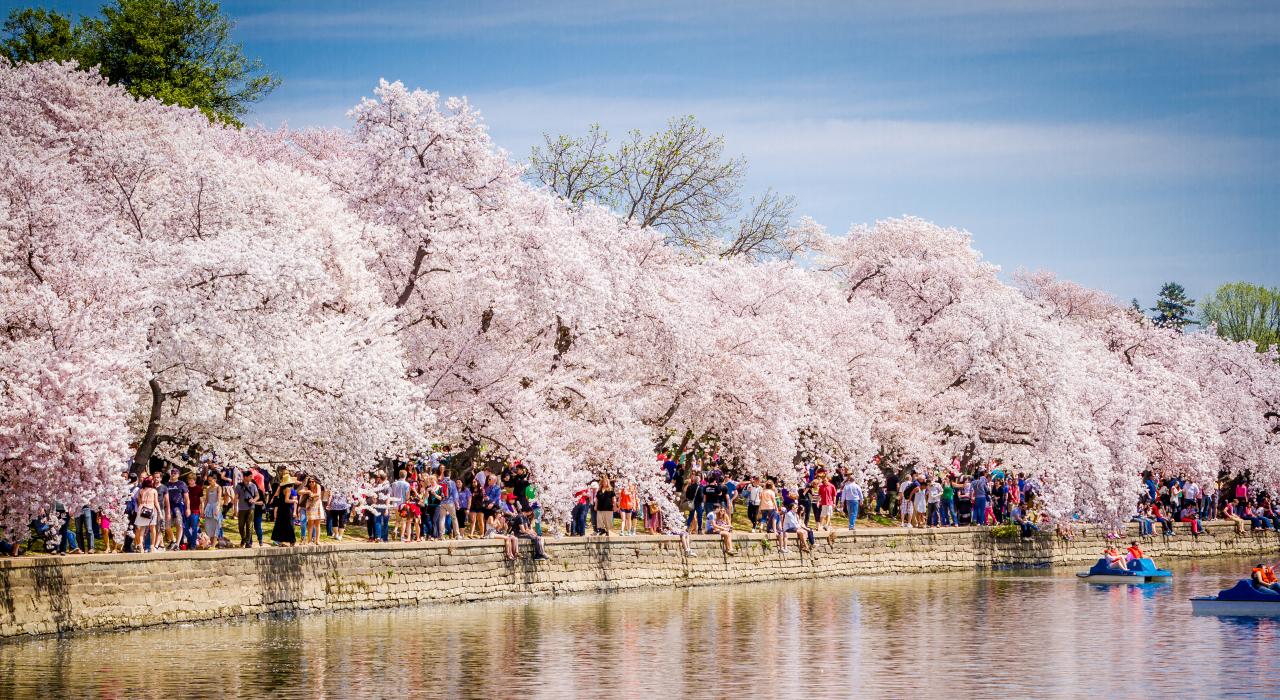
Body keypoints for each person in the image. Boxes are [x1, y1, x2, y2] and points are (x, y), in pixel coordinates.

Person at [134, 477, 161, 553]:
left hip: (142, 509)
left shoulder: (141, 491)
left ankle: (141, 546)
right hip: (151, 509)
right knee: (152, 528)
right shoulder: (154, 491)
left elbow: (139, 502)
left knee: (142, 528)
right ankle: (152, 546)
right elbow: (156, 502)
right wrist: (160, 512)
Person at [233, 472, 260, 548]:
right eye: (250, 476)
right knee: (241, 526)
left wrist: (254, 500)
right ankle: (243, 539)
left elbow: (257, 496)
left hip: (251, 507)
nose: (251, 478)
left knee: (249, 525)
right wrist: (235, 509)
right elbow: (236, 498)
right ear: (245, 477)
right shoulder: (239, 486)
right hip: (241, 508)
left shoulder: (253, 485)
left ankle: (248, 542)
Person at [269, 476, 298, 546]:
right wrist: (294, 500)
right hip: (286, 509)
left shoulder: (281, 488)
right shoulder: (288, 489)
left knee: (280, 524)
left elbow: (276, 495)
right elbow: (286, 500)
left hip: (281, 508)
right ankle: (292, 540)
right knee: (289, 525)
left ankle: (280, 541)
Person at [300, 477, 324, 545]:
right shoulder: (307, 487)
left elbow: (318, 494)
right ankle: (309, 540)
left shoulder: (318, 486)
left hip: (317, 505)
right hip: (310, 505)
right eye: (310, 481)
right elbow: (299, 492)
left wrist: (312, 494)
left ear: (315, 481)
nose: (311, 483)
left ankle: (317, 540)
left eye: (313, 481)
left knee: (317, 524)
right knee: (310, 523)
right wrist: (308, 491)